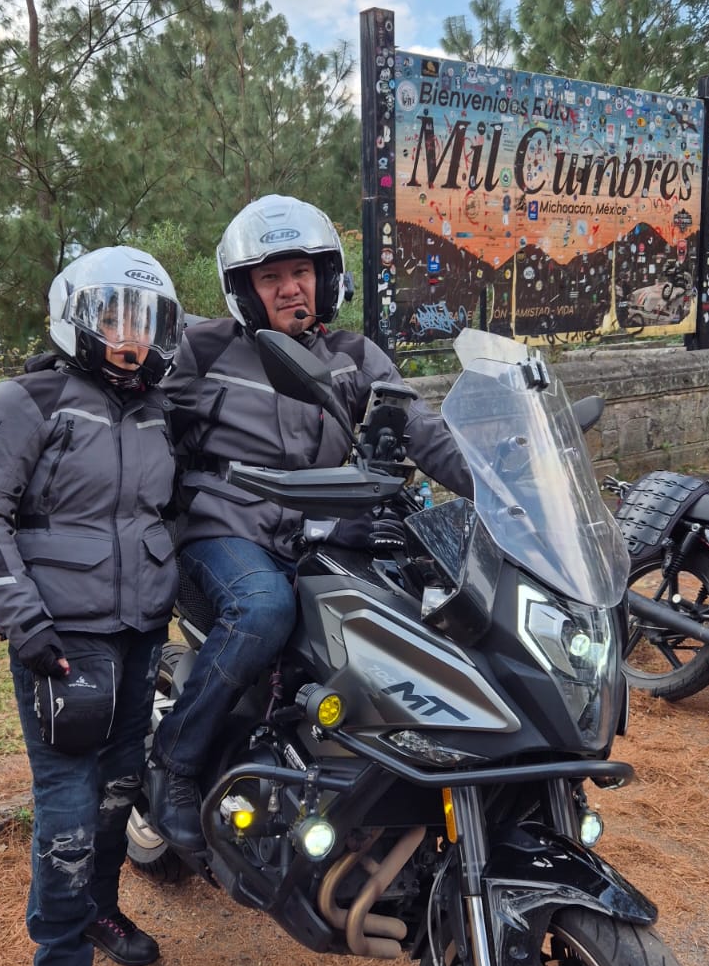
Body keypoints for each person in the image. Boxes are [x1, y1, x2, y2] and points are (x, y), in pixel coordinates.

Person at [148, 194, 471, 850]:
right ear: (245, 290)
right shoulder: (204, 350)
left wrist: (501, 485)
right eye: (270, 277)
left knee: (414, 612)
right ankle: (174, 763)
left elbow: (423, 432)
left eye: (300, 271)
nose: (289, 287)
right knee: (265, 609)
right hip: (224, 531)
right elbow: (131, 407)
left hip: (321, 533)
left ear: (326, 278)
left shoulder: (354, 355)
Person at [0, 246, 184, 966]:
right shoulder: (31, 399)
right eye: (117, 315)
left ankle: (102, 911)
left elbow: (178, 506)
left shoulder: (161, 408)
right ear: (80, 316)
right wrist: (28, 628)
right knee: (66, 823)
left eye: (147, 319)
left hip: (138, 637)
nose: (132, 336)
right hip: (60, 646)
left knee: (123, 792)